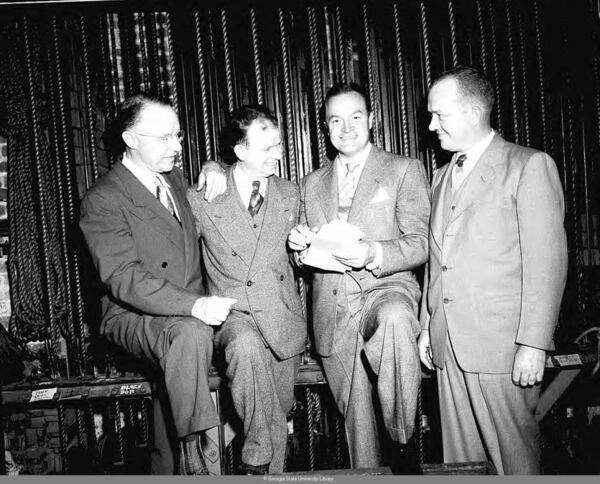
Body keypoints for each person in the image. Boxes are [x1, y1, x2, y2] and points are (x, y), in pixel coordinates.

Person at [419, 66, 568, 474]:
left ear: (472, 113)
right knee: (461, 465)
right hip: (448, 345)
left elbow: (547, 263)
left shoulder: (529, 166)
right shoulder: (440, 177)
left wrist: (534, 343)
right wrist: (426, 326)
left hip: (503, 348)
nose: (431, 125)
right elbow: (438, 261)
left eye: (440, 115)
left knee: (513, 461)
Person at [79, 93, 232, 475]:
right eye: (164, 138)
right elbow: (124, 279)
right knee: (190, 335)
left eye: (178, 136)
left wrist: (215, 167)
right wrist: (194, 305)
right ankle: (199, 456)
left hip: (185, 315)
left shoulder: (175, 179)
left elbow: (212, 184)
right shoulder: (103, 200)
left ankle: (171, 464)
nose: (177, 146)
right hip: (132, 315)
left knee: (184, 364)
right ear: (131, 140)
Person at [287, 83, 430, 471]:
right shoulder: (311, 183)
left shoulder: (403, 169)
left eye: (355, 117)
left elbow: (420, 243)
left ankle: (404, 441)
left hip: (385, 289)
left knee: (397, 321)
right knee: (357, 426)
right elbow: (305, 258)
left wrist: (373, 253)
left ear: (372, 119)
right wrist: (300, 247)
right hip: (333, 308)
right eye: (336, 120)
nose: (346, 128)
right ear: (325, 127)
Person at [187, 105, 306, 475]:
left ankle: (267, 468)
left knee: (275, 413)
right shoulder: (203, 197)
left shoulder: (291, 193)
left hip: (282, 317)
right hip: (234, 315)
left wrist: (304, 247)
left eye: (279, 145)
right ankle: (255, 458)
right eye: (266, 148)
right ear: (239, 152)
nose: (278, 154)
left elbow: (299, 262)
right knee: (245, 347)